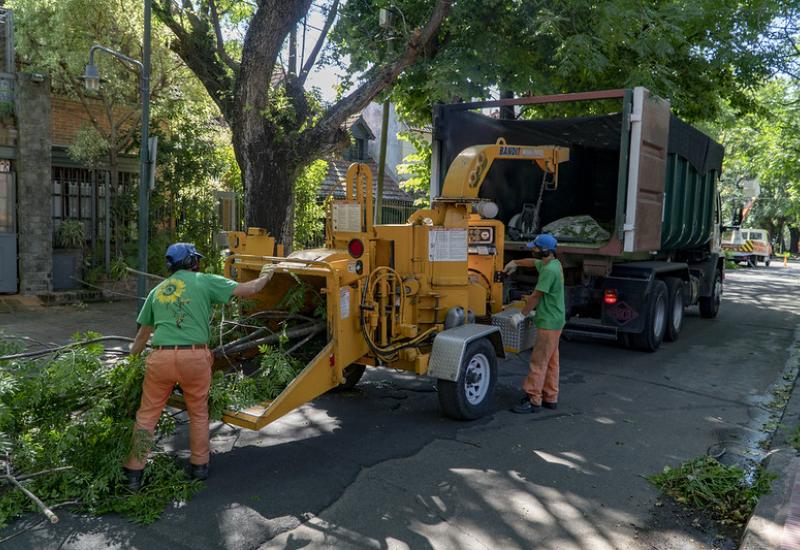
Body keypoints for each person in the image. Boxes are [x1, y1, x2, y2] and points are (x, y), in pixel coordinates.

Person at [123, 242, 274, 491]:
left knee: (147, 416)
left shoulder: (157, 291)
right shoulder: (205, 281)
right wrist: (268, 273)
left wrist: (131, 360)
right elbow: (250, 289)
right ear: (191, 262)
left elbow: (141, 337)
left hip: (160, 358)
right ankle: (198, 467)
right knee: (198, 413)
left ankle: (133, 474)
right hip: (194, 358)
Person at [503, 234, 566, 414]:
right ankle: (550, 397)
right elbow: (533, 262)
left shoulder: (549, 271)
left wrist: (520, 315)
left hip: (548, 322)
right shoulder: (554, 264)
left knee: (538, 362)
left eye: (536, 248)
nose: (533, 250)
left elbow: (536, 296)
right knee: (552, 361)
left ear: (545, 251)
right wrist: (515, 262)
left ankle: (533, 399)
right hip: (556, 319)